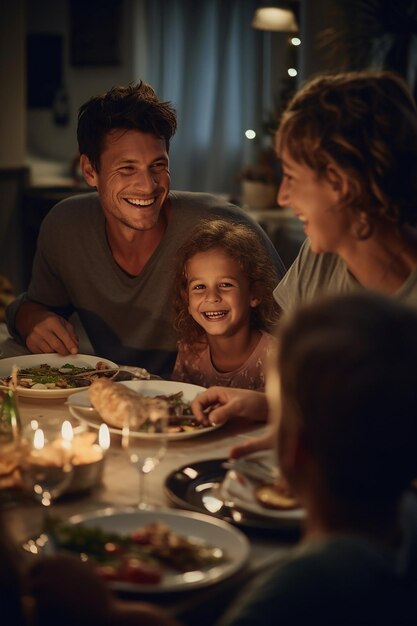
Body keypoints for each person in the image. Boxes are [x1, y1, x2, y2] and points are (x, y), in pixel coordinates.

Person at [5, 82, 285, 379]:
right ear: (89, 171)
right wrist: (29, 317)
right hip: (117, 399)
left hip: (210, 404)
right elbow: (35, 308)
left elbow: (296, 333)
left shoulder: (223, 228)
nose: (148, 186)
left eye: (157, 165)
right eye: (127, 169)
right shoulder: (64, 226)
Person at [191, 69, 417, 429]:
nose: (282, 196)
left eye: (292, 178)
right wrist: (266, 407)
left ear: (340, 184)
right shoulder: (318, 258)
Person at [217, 292, 417, 625]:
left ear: (295, 449)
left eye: (277, 418)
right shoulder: (408, 515)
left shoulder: (295, 591)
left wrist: (116, 614)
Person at [170, 218, 280, 390]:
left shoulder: (277, 358)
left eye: (225, 285)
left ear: (254, 294)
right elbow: (178, 406)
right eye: (199, 287)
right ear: (187, 300)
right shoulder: (189, 351)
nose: (212, 297)